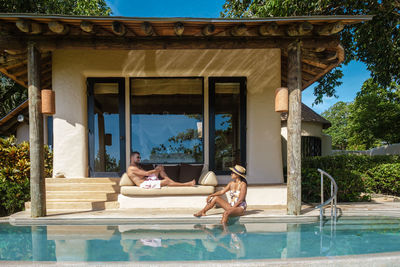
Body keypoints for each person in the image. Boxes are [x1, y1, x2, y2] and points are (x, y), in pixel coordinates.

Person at [127, 151, 195, 188]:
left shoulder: (137, 166)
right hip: (144, 184)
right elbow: (146, 173)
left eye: (140, 157)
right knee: (166, 181)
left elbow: (145, 174)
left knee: (160, 167)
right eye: (138, 157)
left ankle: (169, 181)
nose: (139, 159)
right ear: (132, 158)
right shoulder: (132, 168)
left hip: (147, 180)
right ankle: (187, 184)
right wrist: (156, 170)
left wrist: (158, 169)